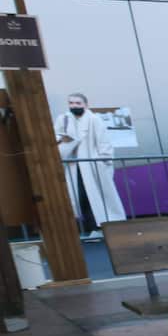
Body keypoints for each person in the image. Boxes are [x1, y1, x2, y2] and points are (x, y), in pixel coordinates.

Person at [56, 92, 127, 235]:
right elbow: (56, 138)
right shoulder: (63, 119)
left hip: (93, 166)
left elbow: (104, 142)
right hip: (73, 167)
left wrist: (103, 162)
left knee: (95, 197)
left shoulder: (94, 120)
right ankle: (89, 228)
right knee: (78, 197)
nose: (74, 106)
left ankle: (99, 227)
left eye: (78, 103)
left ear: (86, 105)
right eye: (71, 103)